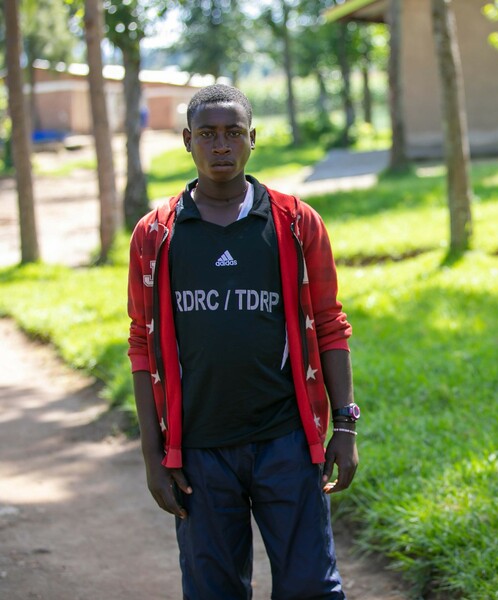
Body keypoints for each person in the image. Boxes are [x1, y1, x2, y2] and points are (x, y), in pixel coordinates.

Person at [127, 84, 359, 599]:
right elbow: (142, 344)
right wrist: (153, 455)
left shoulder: (295, 224)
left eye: (233, 133)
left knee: (311, 589)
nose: (221, 146)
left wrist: (343, 425)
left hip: (287, 442)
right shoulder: (156, 234)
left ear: (253, 138)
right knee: (215, 589)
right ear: (188, 140)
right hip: (199, 451)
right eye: (207, 134)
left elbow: (328, 323)